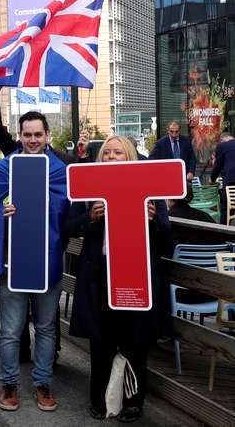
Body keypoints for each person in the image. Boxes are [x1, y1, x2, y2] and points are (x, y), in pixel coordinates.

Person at [66, 136, 171, 423]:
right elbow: (70, 226)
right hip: (99, 278)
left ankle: (133, 402)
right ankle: (99, 400)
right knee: (101, 343)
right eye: (107, 152)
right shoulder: (87, 188)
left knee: (134, 343)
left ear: (131, 157)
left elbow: (168, 239)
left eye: (118, 152)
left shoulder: (150, 190)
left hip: (136, 276)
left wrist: (154, 220)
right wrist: (90, 217)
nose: (112, 156)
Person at [0, 110, 69, 413]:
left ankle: (43, 383)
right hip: (13, 262)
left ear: (47, 136)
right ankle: (9, 384)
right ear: (19, 136)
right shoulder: (5, 168)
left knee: (46, 328)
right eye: (27, 134)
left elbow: (67, 212)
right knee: (10, 330)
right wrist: (2, 214)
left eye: (38, 134)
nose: (32, 140)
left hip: (46, 263)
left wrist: (44, 205)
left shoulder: (59, 170)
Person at [210, 131, 235, 224]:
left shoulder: (222, 146)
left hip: (231, 182)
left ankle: (223, 231)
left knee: (225, 206)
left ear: (222, 140)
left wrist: (212, 179)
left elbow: (217, 166)